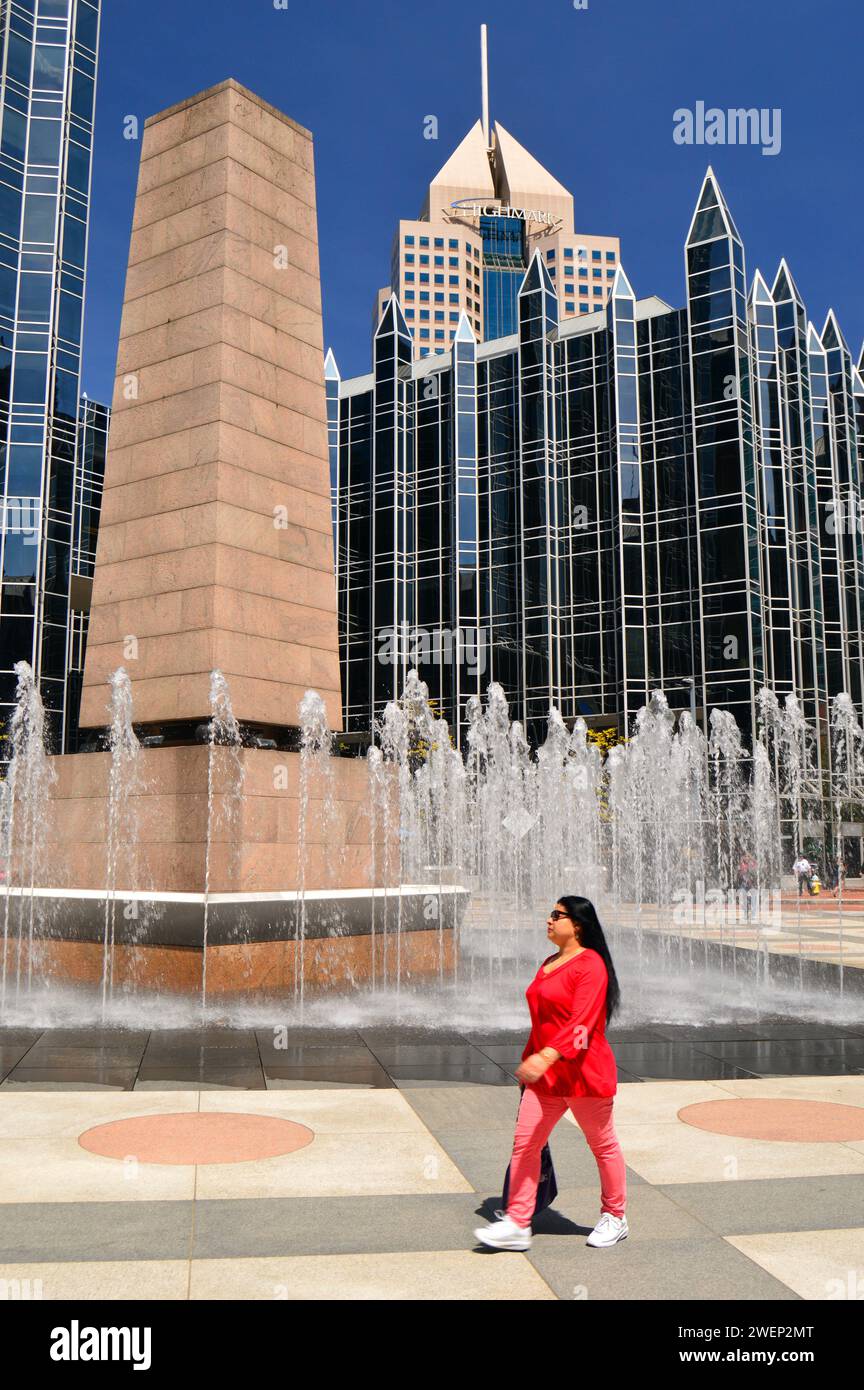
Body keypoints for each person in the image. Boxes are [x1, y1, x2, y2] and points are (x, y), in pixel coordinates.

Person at [473, 896, 627, 1253]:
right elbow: (544, 1022)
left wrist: (546, 1056)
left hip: (583, 1074)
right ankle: (517, 1221)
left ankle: (615, 1216)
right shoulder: (549, 963)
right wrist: (532, 1061)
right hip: (545, 1078)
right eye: (550, 914)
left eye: (557, 915)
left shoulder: (591, 965)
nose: (549, 919)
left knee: (602, 1145)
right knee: (525, 1144)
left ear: (577, 925)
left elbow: (582, 1024)